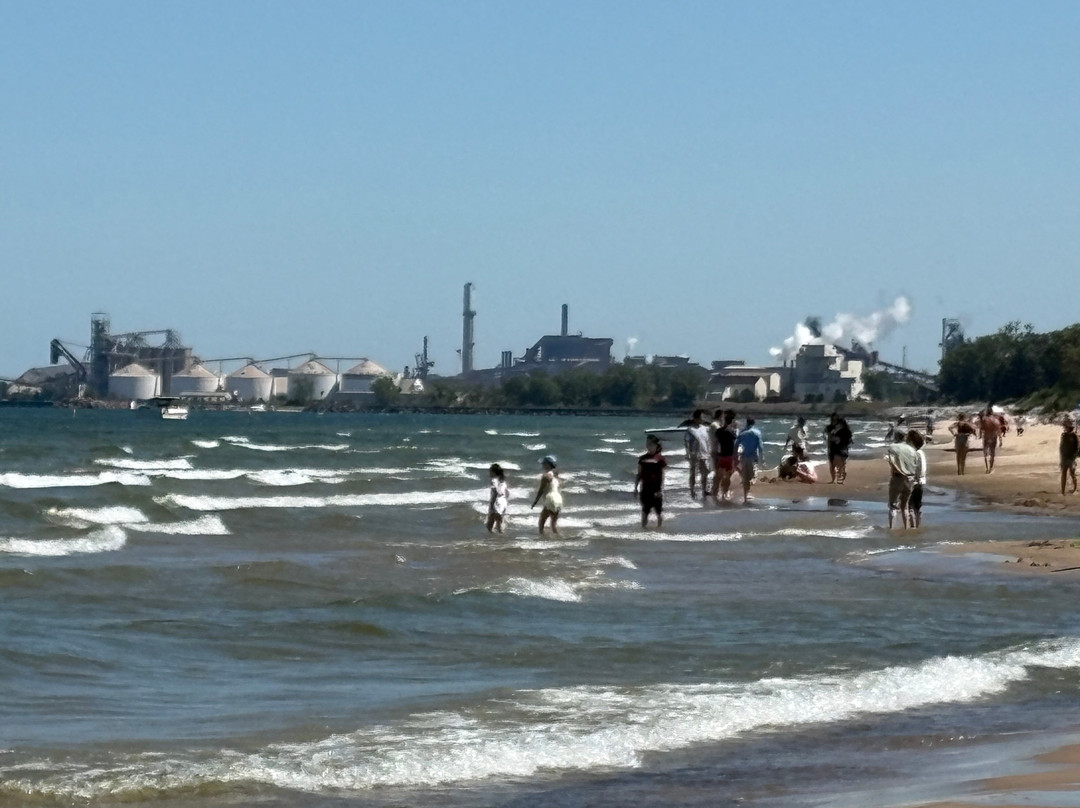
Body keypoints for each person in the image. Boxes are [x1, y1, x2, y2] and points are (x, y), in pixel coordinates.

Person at [886, 430, 918, 529]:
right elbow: (915, 463)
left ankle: (892, 528)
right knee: (905, 505)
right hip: (910, 478)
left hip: (898, 477)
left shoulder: (892, 447)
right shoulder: (912, 449)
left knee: (893, 505)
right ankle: (906, 528)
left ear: (896, 437)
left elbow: (892, 462)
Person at [635, 434, 667, 528]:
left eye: (651, 444)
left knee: (659, 512)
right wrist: (635, 487)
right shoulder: (642, 459)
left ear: (656, 446)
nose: (648, 446)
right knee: (645, 511)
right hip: (645, 488)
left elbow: (662, 476)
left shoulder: (660, 459)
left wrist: (660, 490)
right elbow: (639, 474)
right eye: (647, 444)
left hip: (656, 489)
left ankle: (660, 529)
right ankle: (643, 530)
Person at [734, 417, 765, 504]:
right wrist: (762, 458)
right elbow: (760, 446)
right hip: (753, 457)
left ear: (747, 423)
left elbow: (736, 445)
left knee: (745, 477)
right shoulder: (757, 432)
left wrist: (735, 457)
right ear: (754, 423)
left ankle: (745, 496)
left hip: (743, 457)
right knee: (751, 476)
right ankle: (746, 495)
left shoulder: (742, 432)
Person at [683, 409, 711, 499]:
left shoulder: (704, 428)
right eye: (702, 417)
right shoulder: (690, 430)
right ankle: (692, 491)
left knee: (705, 472)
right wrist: (688, 454)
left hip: (704, 454)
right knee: (693, 473)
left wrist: (709, 451)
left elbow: (707, 441)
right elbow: (687, 442)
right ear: (696, 418)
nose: (703, 419)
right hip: (694, 454)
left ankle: (704, 490)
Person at [531, 455, 562, 535]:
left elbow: (541, 490)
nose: (542, 465)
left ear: (548, 465)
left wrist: (535, 502)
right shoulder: (556, 475)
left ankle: (542, 537)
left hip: (550, 498)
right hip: (558, 498)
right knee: (553, 523)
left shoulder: (546, 476)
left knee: (542, 521)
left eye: (544, 463)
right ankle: (558, 537)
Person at [711, 410, 738, 502]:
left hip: (721, 456)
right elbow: (735, 442)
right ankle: (724, 493)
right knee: (728, 476)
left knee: (719, 475)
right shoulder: (732, 432)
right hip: (730, 457)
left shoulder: (719, 431)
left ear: (725, 421)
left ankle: (715, 493)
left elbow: (716, 442)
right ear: (732, 421)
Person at [907, 430, 927, 528]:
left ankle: (913, 527)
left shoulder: (916, 453)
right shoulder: (920, 452)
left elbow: (920, 468)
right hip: (919, 481)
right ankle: (917, 526)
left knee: (911, 506)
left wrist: (917, 478)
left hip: (914, 482)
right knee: (917, 506)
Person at [486, 463, 509, 533]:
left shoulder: (494, 480)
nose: (489, 473)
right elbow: (507, 493)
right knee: (499, 524)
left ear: (493, 472)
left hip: (496, 503)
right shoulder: (503, 481)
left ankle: (492, 538)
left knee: (489, 526)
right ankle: (501, 537)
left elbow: (495, 493)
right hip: (503, 502)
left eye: (490, 471)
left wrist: (491, 506)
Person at [978, 406, 1002, 473]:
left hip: (986, 436)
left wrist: (980, 435)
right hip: (993, 436)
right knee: (992, 453)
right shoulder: (995, 420)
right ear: (992, 412)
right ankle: (990, 468)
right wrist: (1000, 439)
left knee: (985, 453)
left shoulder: (984, 420)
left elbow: (981, 428)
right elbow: (998, 430)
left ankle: (987, 468)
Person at [1060, 417, 1079, 496]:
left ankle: (1074, 488)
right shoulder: (1064, 435)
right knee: (1064, 474)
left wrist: (1074, 456)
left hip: (1071, 458)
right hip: (1065, 458)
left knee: (1072, 474)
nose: (1067, 428)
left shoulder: (1074, 436)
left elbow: (1077, 448)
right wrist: (1062, 457)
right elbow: (1061, 447)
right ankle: (1063, 491)